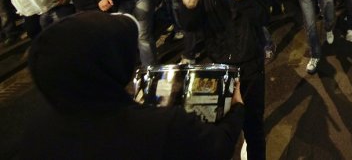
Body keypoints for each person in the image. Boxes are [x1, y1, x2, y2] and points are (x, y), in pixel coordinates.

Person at [22, 11, 245, 160]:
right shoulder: (162, 126)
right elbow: (217, 147)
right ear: (111, 62)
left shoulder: (32, 133)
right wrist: (236, 109)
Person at [181, 0, 268, 160]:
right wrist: (188, 8)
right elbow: (189, 26)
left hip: (249, 62)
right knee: (216, 128)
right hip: (217, 63)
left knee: (253, 127)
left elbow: (263, 17)